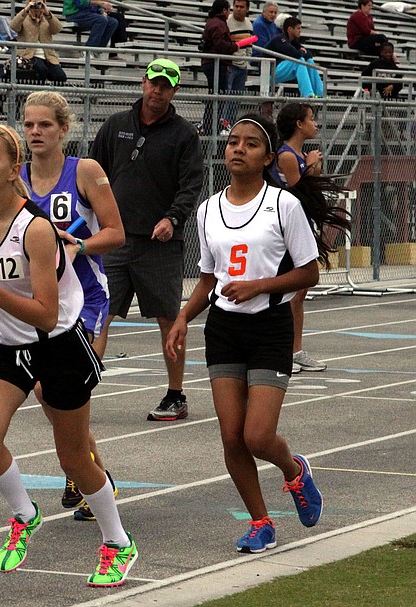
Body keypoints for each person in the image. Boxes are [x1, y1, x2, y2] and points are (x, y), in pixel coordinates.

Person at [0, 122, 137, 586]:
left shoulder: (36, 230)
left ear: (14, 170)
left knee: (73, 458)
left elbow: (46, 315)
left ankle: (117, 542)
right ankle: (24, 513)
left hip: (57, 345)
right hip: (3, 344)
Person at [165, 113, 350, 553]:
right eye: (233, 142)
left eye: (250, 143)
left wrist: (259, 286)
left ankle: (294, 472)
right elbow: (209, 278)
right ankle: (260, 521)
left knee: (257, 436)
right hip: (224, 328)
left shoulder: (283, 205)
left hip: (270, 326)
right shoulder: (208, 209)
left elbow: (309, 274)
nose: (238, 149)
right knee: (231, 437)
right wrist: (181, 318)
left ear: (268, 156)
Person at [20, 91, 124, 521]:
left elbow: (116, 233)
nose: (35, 132)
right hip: (39, 300)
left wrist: (79, 245)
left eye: (45, 125)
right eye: (28, 125)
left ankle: (84, 470)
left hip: (84, 297)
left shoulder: (85, 171)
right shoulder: (17, 178)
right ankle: (85, 467)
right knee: (51, 390)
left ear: (63, 129)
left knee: (57, 387)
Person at [90, 58, 204, 422]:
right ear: (143, 82)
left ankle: (176, 394)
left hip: (159, 244)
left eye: (166, 86)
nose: (157, 91)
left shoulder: (184, 134)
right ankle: (79, 389)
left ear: (175, 92)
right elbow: (94, 174)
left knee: (169, 319)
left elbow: (191, 185)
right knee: (97, 315)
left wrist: (172, 218)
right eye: (153, 83)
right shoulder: (115, 125)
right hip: (114, 240)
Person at [271, 103, 327, 374]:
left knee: (301, 291)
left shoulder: (300, 154)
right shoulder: (287, 156)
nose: (315, 124)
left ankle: (295, 350)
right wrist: (311, 166)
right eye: (311, 119)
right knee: (293, 289)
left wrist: (313, 166)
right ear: (298, 124)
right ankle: (287, 350)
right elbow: (297, 190)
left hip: (302, 224)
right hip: (286, 228)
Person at [200, 0, 238, 135]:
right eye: (229, 10)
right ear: (223, 10)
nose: (229, 13)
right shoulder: (219, 24)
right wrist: (234, 46)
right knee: (217, 97)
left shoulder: (213, 22)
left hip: (212, 63)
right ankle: (212, 127)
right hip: (216, 64)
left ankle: (211, 126)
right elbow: (221, 45)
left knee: (215, 96)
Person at [266, 17, 324, 98]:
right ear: (290, 29)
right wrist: (301, 52)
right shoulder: (280, 39)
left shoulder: (293, 41)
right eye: (298, 28)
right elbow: (296, 54)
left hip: (281, 70)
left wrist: (301, 52)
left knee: (309, 61)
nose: (300, 30)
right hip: (269, 72)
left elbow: (309, 54)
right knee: (299, 61)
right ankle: (307, 95)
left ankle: (321, 94)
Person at [10, 1, 67, 84]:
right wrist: (25, 10)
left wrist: (48, 13)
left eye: (39, 4)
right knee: (41, 69)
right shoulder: (24, 17)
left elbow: (57, 29)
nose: (36, 7)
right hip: (29, 55)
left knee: (60, 77)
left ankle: (52, 95)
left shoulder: (47, 19)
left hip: (48, 56)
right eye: (34, 4)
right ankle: (38, 94)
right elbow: (13, 26)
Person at [225, 0, 253, 127]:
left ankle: (230, 123)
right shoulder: (227, 22)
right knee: (226, 96)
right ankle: (223, 122)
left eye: (242, 7)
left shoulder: (248, 23)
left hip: (242, 66)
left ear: (247, 9)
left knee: (237, 98)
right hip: (230, 64)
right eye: (236, 6)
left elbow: (249, 45)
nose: (238, 9)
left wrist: (246, 59)